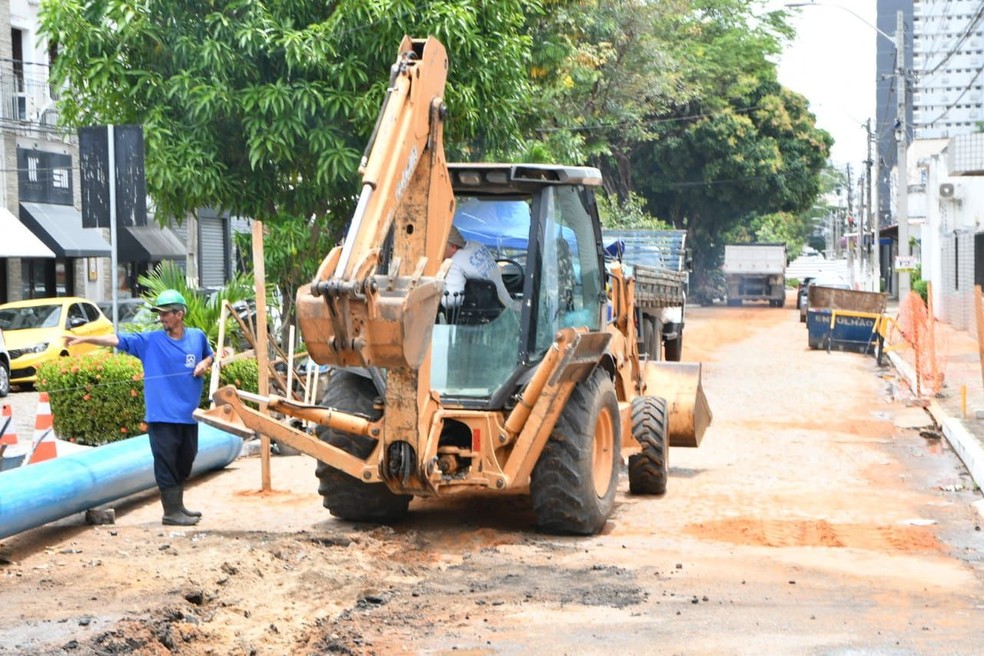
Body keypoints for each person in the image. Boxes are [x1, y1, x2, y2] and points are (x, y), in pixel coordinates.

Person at [65, 289, 214, 526]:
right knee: (166, 463)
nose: (161, 318)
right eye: (159, 314)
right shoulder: (150, 341)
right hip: (162, 417)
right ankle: (170, 512)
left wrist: (205, 363)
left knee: (186, 460)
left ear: (180, 314)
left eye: (165, 313)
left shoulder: (197, 337)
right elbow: (117, 339)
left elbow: (209, 355)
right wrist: (85, 339)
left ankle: (178, 506)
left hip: (189, 415)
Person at [443, 226, 516, 312]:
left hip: (489, 314)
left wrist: (437, 292)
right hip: (507, 305)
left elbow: (451, 301)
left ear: (453, 247)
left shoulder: (454, 263)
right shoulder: (477, 245)